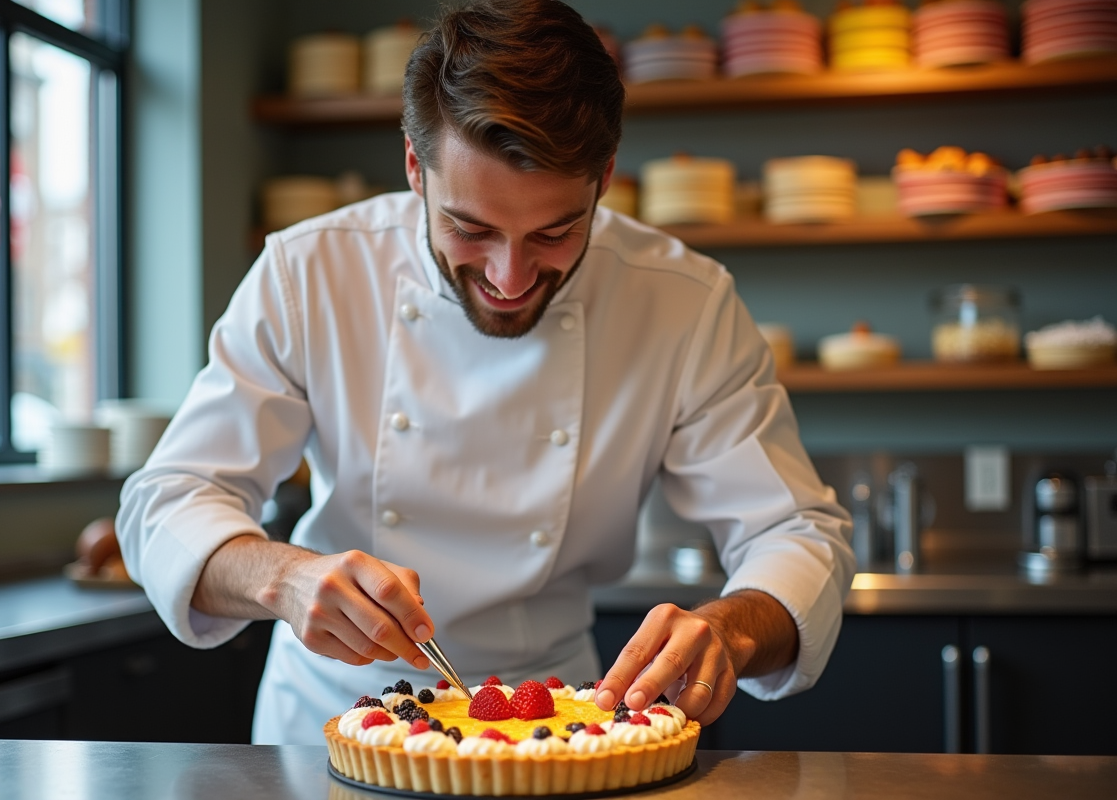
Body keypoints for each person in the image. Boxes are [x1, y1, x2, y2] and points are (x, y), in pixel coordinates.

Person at [116, 0, 854, 746]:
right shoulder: (310, 272)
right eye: (470, 229)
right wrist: (286, 577)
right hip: (335, 719)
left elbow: (797, 531)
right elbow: (166, 503)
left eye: (556, 231)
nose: (509, 276)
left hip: (562, 721)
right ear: (414, 165)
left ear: (604, 175)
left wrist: (729, 631)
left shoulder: (683, 301)